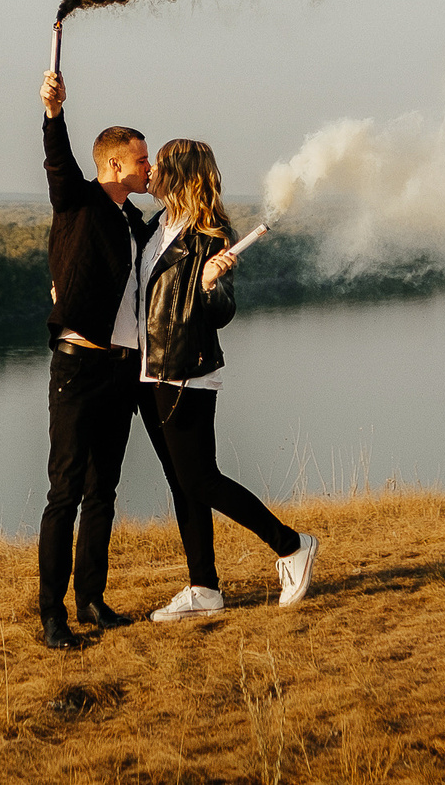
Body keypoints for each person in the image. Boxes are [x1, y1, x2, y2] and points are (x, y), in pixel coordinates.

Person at [128, 137, 319, 621]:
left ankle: (292, 545)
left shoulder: (211, 234)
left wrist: (211, 283)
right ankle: (204, 588)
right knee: (183, 484)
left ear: (181, 173)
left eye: (160, 165)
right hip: (150, 373)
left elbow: (222, 312)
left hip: (185, 373)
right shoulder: (159, 227)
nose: (149, 172)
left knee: (201, 479)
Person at [35, 67, 150, 650]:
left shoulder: (134, 221)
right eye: (142, 161)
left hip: (121, 371)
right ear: (113, 165)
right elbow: (57, 162)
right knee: (65, 492)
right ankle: (52, 614)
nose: (147, 168)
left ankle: (92, 602)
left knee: (103, 491)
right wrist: (54, 113)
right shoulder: (78, 200)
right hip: (79, 368)